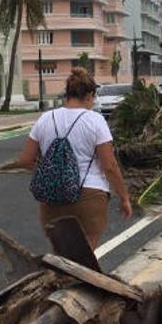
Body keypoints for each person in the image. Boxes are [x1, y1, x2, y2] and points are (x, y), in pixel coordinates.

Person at [13, 68, 132, 247]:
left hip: (51, 199)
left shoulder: (45, 119)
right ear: (90, 95)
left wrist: (50, 170)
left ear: (67, 94)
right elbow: (109, 166)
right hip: (89, 195)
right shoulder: (95, 120)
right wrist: (124, 197)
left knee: (62, 257)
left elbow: (25, 160)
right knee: (84, 257)